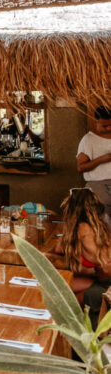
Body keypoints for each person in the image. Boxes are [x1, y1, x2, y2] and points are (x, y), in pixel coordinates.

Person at [57, 188, 111, 320]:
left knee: (61, 298)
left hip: (106, 284)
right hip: (101, 281)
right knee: (54, 287)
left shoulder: (84, 230)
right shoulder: (94, 227)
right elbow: (58, 248)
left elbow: (106, 265)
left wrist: (93, 271)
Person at [76, 107, 111, 211]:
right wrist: (102, 159)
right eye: (105, 126)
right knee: (102, 214)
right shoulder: (88, 140)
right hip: (98, 184)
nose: (109, 128)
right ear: (96, 121)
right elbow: (80, 168)